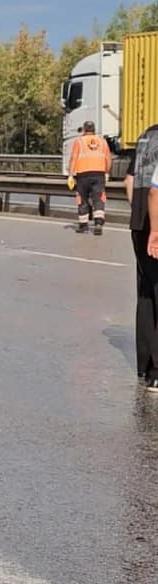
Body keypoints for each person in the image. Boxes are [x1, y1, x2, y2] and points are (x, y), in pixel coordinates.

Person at [132, 124, 158, 390]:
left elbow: (130, 180)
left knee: (145, 293)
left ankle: (144, 365)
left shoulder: (145, 136)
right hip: (154, 221)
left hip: (139, 220)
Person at [69, 121, 113, 235]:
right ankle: (98, 223)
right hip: (99, 174)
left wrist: (70, 175)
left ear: (84, 130)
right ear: (94, 130)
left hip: (82, 174)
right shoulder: (102, 142)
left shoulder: (79, 141)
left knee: (82, 199)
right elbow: (108, 159)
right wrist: (107, 172)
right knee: (99, 199)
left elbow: (73, 159)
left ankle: (83, 225)